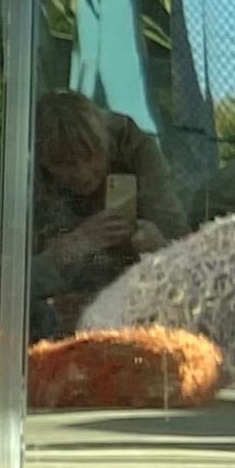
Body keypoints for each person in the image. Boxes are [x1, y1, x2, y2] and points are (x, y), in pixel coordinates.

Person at [28, 91, 179, 330]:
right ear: (42, 161)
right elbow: (1, 285)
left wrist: (157, 247)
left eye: (92, 155)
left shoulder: (134, 149)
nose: (83, 173)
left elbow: (182, 249)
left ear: (105, 141)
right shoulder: (25, 175)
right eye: (65, 164)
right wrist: (69, 249)